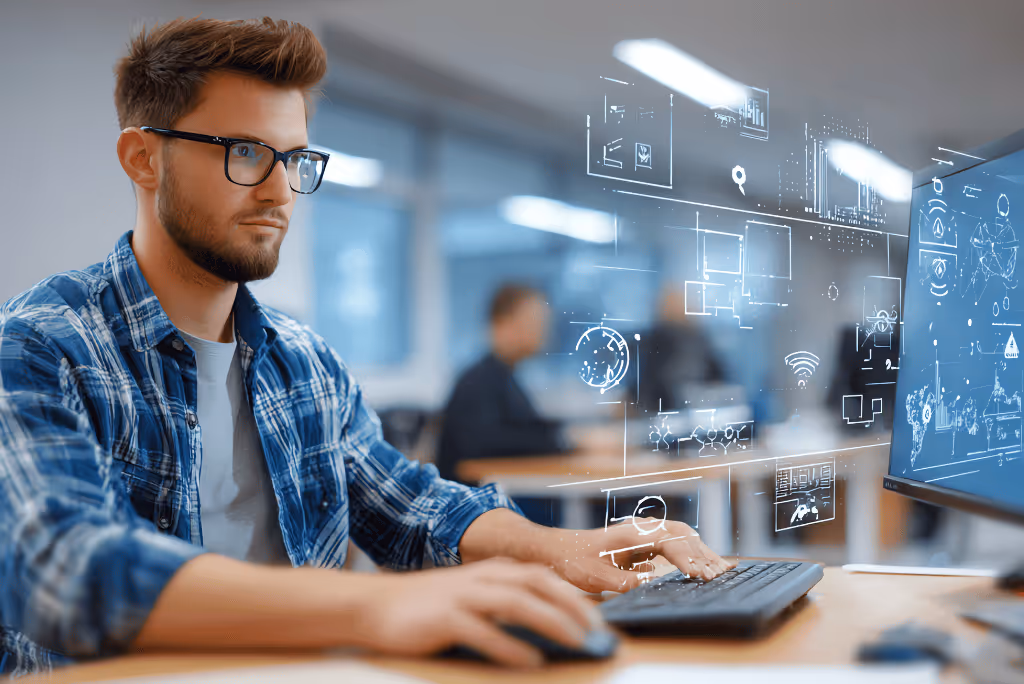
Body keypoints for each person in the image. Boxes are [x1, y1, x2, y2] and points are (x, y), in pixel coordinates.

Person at [0, 17, 732, 677]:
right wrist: (370, 610)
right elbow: (65, 570)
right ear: (142, 158)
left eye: (296, 159)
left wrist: (564, 548)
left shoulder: (302, 360)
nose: (281, 190)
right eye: (247, 152)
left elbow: (412, 507)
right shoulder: (40, 345)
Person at [437, 285, 566, 483]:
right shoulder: (478, 382)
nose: (543, 331)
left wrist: (566, 438)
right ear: (502, 323)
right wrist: (562, 441)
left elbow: (529, 430)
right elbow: (489, 443)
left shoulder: (505, 376)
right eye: (534, 321)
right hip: (477, 503)